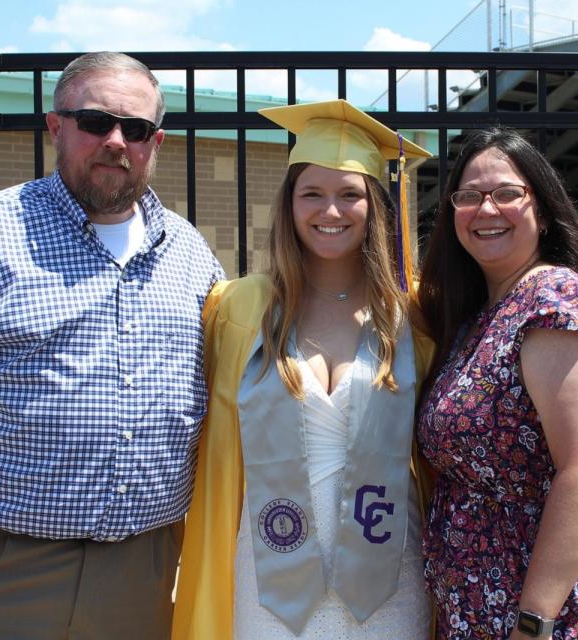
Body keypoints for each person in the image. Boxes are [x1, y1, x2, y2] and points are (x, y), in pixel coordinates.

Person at [0, 52, 224, 640]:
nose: (114, 140)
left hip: (145, 572)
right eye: (94, 122)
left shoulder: (189, 256)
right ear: (56, 126)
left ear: (154, 142)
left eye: (134, 129)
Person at [171, 99, 434, 639]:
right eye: (311, 193)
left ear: (375, 206)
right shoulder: (239, 308)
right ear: (289, 204)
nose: (330, 211)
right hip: (271, 576)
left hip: (388, 577)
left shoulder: (413, 315)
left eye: (349, 195)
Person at [416, 128, 578, 639]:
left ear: (541, 207)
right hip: (474, 614)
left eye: (506, 193)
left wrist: (532, 622)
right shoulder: (480, 315)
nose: (486, 209)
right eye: (468, 196)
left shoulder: (555, 301)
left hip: (549, 619)